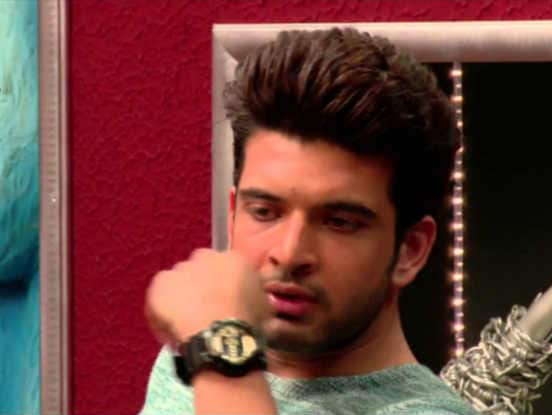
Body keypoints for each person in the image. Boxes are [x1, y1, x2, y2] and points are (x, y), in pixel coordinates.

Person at [139, 27, 478, 415]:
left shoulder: (216, 352)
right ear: (232, 216)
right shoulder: (191, 358)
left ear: (410, 250)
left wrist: (222, 349)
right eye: (264, 212)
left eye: (339, 222)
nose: (289, 253)